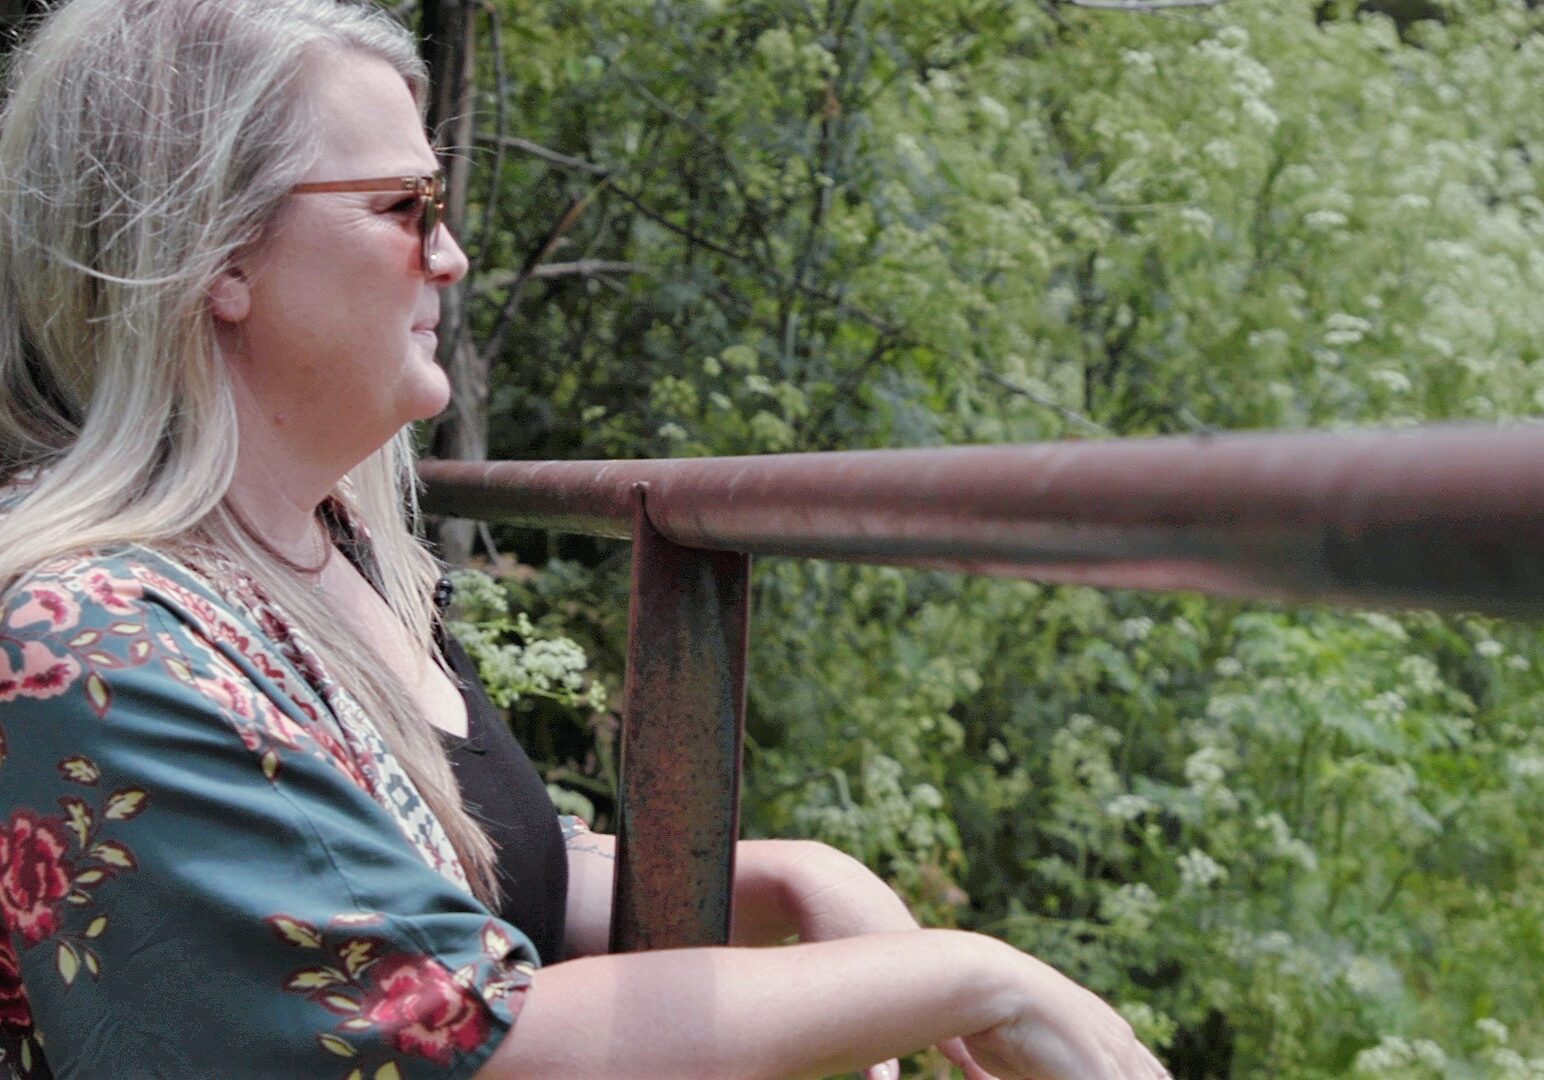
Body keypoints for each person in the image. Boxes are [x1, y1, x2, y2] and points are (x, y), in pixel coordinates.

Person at [0, 1, 1173, 1077]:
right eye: (406, 208)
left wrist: (797, 877)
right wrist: (967, 977)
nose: (449, 257)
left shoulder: (324, 547)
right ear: (220, 255)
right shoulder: (89, 640)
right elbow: (475, 1042)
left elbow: (457, 883)